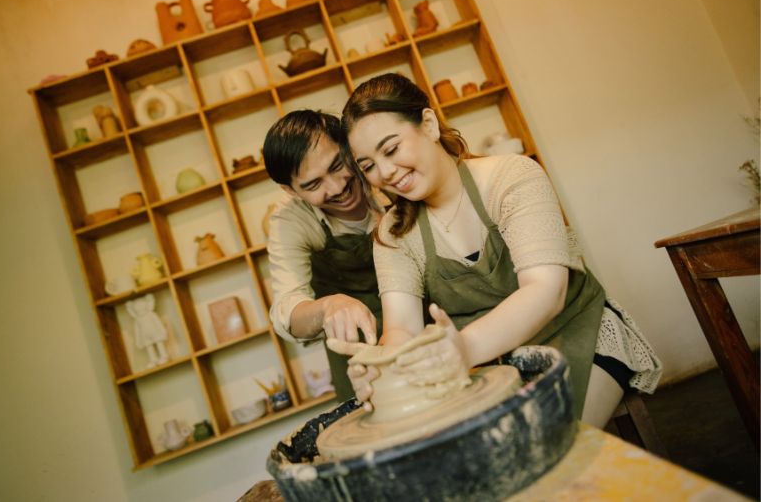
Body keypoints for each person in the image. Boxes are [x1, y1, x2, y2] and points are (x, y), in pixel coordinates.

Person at [335, 73, 662, 426]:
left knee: (546, 442)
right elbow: (402, 327)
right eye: (368, 166)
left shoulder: (510, 178)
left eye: (391, 149)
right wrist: (381, 367)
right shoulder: (393, 231)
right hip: (489, 361)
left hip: (575, 331)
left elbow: (546, 290)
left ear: (428, 124)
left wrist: (465, 348)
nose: (385, 172)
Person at [262, 109, 386, 401]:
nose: (338, 187)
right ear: (291, 190)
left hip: (429, 324)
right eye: (314, 185)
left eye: (338, 164)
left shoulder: (383, 170)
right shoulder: (291, 219)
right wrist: (329, 306)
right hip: (360, 356)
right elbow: (288, 311)